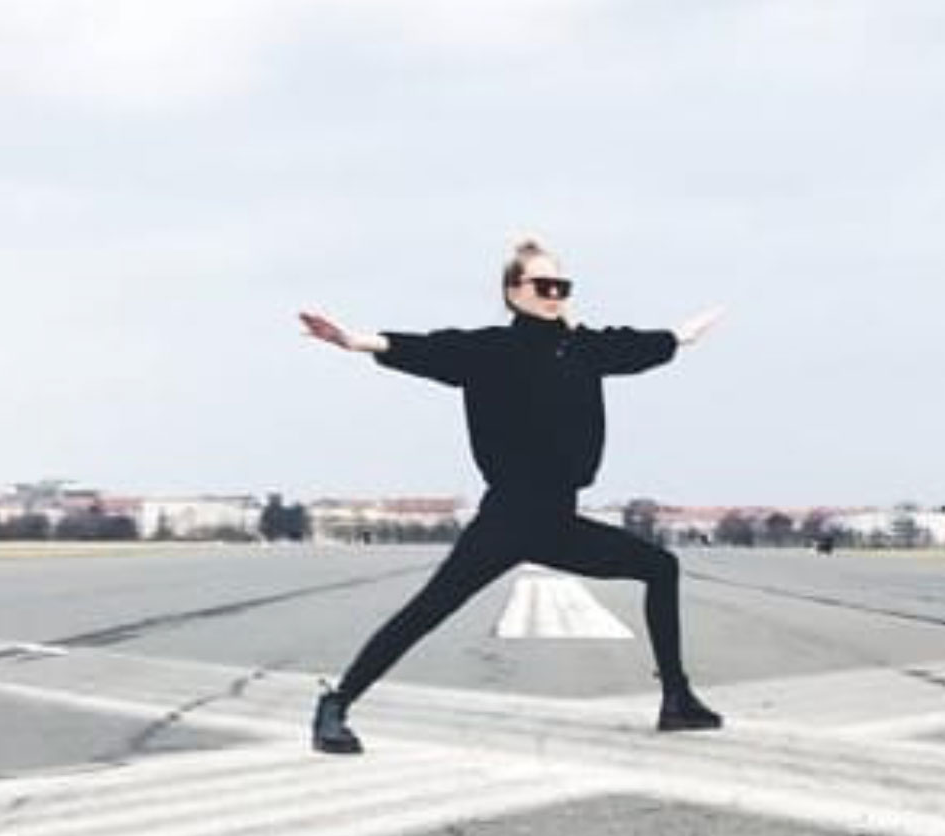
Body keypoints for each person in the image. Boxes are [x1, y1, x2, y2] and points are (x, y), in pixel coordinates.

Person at [299, 237, 724, 755]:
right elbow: (428, 348)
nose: (555, 295)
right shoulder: (490, 351)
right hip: (507, 519)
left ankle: (677, 699)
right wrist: (354, 341)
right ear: (512, 292)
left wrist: (683, 335)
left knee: (660, 567)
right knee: (427, 611)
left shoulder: (584, 348)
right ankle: (336, 704)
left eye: (562, 287)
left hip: (559, 522)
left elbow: (642, 345)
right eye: (543, 286)